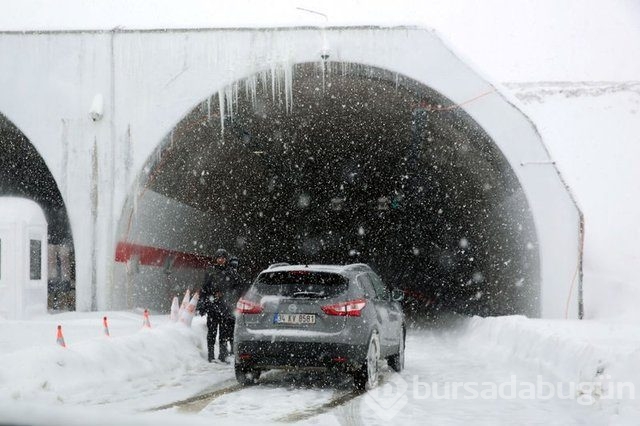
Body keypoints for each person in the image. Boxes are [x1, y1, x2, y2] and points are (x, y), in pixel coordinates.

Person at [197, 248, 242, 363]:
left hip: (225, 307)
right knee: (211, 333)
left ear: (226, 259)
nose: (220, 260)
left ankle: (222, 355)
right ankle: (211, 356)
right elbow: (204, 289)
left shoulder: (231, 272)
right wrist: (202, 304)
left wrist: (226, 295)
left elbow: (238, 289)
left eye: (223, 258)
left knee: (224, 334)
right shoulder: (211, 271)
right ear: (215, 259)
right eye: (218, 258)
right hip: (212, 307)